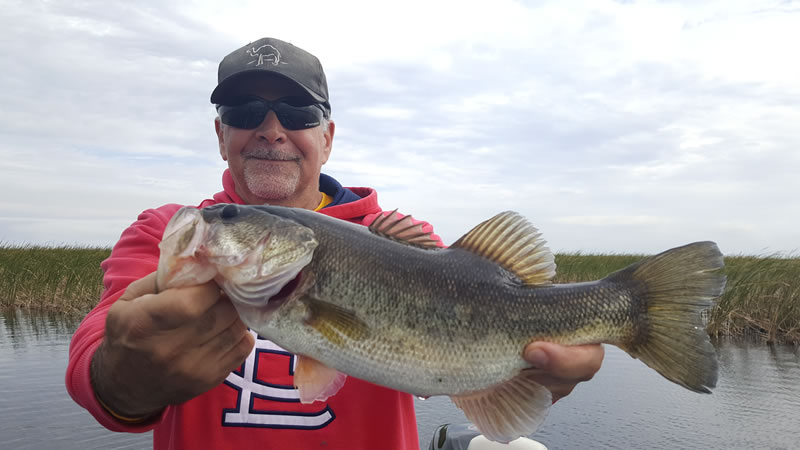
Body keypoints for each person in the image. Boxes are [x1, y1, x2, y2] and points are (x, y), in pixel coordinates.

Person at [66, 37, 605, 450]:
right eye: (245, 112)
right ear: (220, 135)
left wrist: (528, 376)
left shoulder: (404, 243)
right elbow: (93, 364)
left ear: (326, 138)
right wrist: (123, 375)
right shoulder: (168, 232)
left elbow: (444, 364)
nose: (271, 129)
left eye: (297, 114)